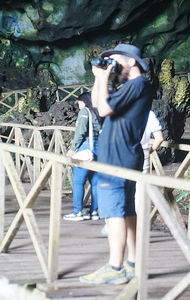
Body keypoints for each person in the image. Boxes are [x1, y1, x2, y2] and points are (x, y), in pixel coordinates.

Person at [80, 43, 152, 285]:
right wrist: (101, 77)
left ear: (132, 61)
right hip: (123, 156)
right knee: (127, 212)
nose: (113, 65)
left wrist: (103, 77)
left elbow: (103, 108)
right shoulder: (134, 86)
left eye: (116, 60)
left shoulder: (137, 84)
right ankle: (132, 264)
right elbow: (98, 106)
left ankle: (115, 268)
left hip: (118, 158)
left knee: (113, 214)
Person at [63, 92, 101, 221]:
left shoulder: (85, 111)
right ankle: (94, 211)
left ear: (83, 101)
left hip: (86, 147)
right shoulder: (99, 111)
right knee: (95, 182)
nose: (78, 105)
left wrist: (72, 149)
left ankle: (77, 211)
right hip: (98, 147)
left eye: (78, 102)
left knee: (79, 181)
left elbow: (80, 132)